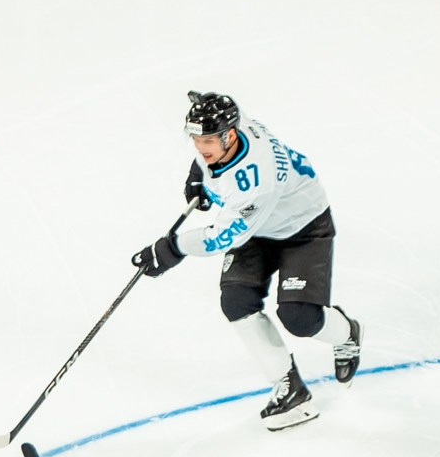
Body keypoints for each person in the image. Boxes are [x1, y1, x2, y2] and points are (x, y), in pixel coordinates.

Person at [130, 91, 364, 431]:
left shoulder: (255, 182)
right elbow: (211, 159)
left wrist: (169, 249)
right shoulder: (234, 131)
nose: (201, 147)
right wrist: (198, 176)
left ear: (228, 134)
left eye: (208, 140)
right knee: (237, 300)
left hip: (303, 227)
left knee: (299, 317)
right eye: (196, 138)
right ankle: (290, 388)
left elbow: (219, 238)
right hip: (258, 225)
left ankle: (346, 333)